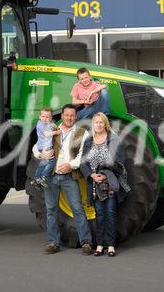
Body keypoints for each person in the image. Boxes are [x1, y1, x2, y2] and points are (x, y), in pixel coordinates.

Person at [32, 104, 94, 255]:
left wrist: (70, 165)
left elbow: (83, 156)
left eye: (72, 115)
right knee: (51, 210)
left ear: (76, 117)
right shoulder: (52, 130)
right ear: (62, 116)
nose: (69, 118)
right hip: (51, 176)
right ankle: (54, 242)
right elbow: (36, 147)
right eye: (67, 115)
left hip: (68, 176)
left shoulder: (82, 133)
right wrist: (42, 155)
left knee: (78, 209)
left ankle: (86, 242)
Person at [80, 112, 130, 257]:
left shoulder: (113, 139)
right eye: (96, 122)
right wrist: (91, 175)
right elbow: (83, 163)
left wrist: (107, 172)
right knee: (99, 215)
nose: (99, 125)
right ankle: (100, 245)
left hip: (110, 182)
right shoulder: (88, 140)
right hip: (95, 183)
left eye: (101, 122)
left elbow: (120, 160)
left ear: (105, 124)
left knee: (110, 213)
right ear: (93, 124)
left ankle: (111, 245)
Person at [31, 107, 61, 190]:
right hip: (44, 147)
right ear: (40, 116)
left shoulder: (47, 124)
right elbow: (47, 134)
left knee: (43, 163)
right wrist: (56, 132)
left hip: (45, 146)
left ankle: (36, 178)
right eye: (43, 116)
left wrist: (55, 127)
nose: (45, 118)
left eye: (47, 117)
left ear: (50, 118)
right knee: (52, 162)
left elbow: (52, 125)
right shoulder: (40, 124)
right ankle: (44, 176)